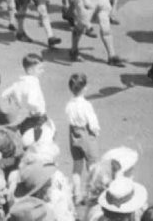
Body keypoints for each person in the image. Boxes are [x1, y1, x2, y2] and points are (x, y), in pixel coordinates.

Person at [65, 73, 99, 206]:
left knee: (77, 165)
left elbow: (69, 117)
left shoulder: (69, 104)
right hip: (86, 133)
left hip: (73, 134)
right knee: (92, 165)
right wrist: (95, 132)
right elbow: (93, 122)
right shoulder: (86, 105)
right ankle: (91, 193)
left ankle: (76, 194)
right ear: (84, 88)